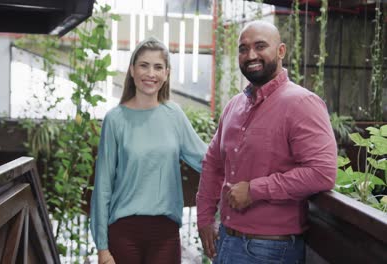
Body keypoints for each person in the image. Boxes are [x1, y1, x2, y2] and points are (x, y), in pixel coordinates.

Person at [196, 20, 337, 263]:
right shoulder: (234, 105)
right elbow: (213, 163)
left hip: (270, 250)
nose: (251, 55)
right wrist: (205, 219)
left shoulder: (302, 104)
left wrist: (255, 190)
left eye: (260, 46)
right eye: (243, 48)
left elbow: (322, 172)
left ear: (281, 51)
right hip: (227, 241)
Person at [90, 37, 207, 264]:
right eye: (144, 65)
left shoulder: (174, 115)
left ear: (166, 73)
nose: (150, 73)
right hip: (123, 233)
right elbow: (103, 186)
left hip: (165, 234)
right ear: (132, 70)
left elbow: (206, 160)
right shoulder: (115, 119)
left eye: (158, 67)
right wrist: (102, 248)